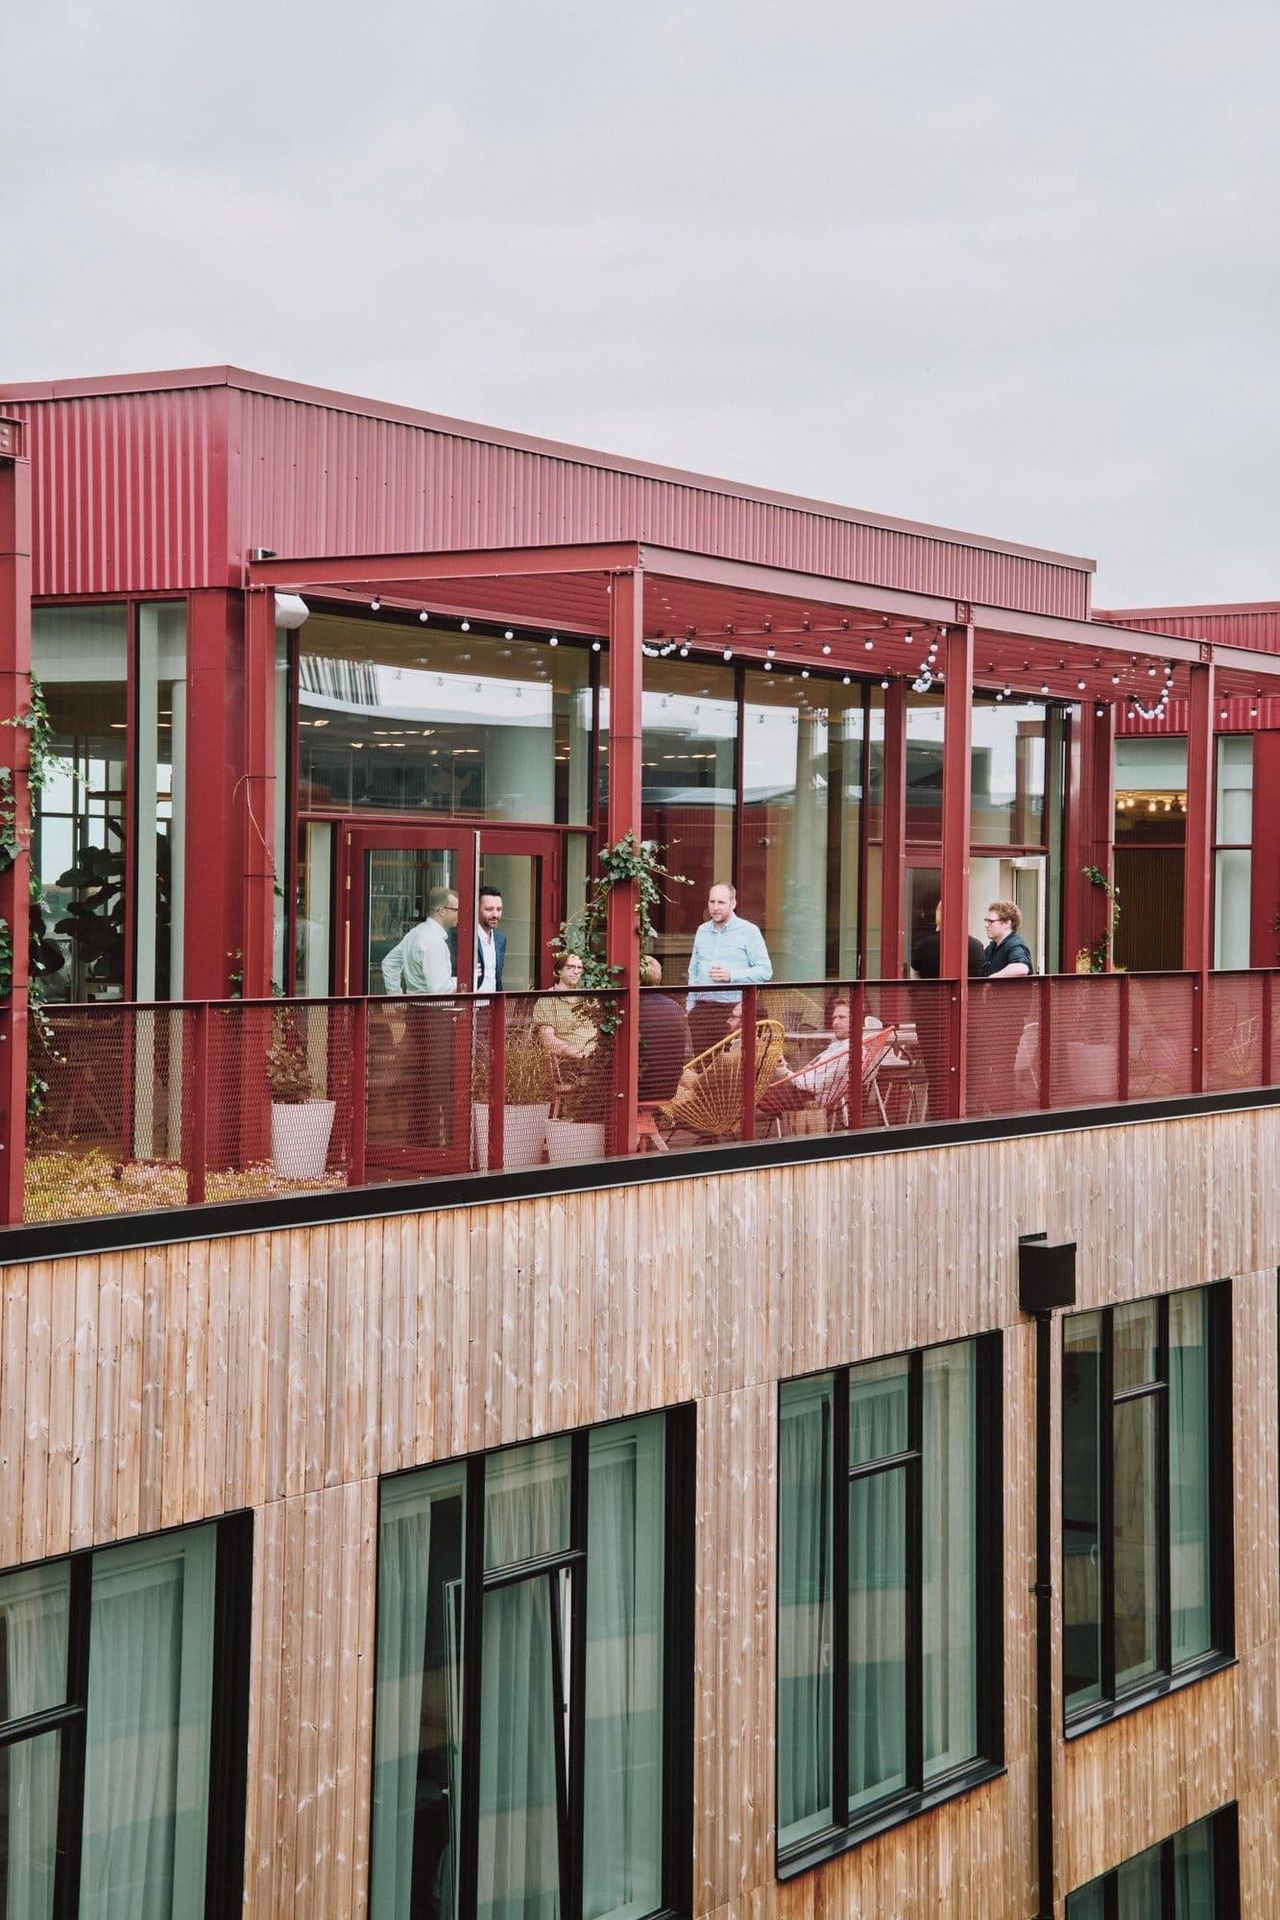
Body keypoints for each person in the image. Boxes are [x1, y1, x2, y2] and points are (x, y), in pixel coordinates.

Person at [686, 882, 773, 1055]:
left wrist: (731, 975)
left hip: (735, 1010)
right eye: (712, 902)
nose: (715, 908)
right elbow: (693, 971)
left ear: (733, 904)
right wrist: (690, 1007)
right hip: (702, 1011)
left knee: (733, 1071)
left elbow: (765, 971)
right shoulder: (702, 931)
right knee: (704, 1069)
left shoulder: (749, 931)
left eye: (721, 902)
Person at [381, 885, 459, 996]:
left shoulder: (414, 933)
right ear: (442, 911)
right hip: (435, 1010)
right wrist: (461, 981)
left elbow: (389, 963)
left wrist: (395, 998)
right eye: (456, 910)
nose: (459, 913)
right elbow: (439, 990)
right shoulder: (435, 942)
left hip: (414, 1008)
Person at [637, 956, 693, 1103]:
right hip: (668, 1088)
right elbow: (688, 1054)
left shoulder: (633, 1006)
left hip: (638, 1088)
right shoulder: (675, 1007)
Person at [531, 952, 598, 1065]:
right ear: (558, 972)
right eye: (570, 967)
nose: (576, 971)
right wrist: (580, 1054)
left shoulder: (588, 998)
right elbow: (548, 1041)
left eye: (579, 968)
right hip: (567, 1063)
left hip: (598, 1061)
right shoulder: (547, 999)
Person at [911, 900, 985, 979]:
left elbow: (914, 973)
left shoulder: (925, 945)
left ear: (939, 915)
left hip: (931, 990)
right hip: (968, 991)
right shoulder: (977, 946)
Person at [980, 902, 1033, 977]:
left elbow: (1021, 967)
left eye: (991, 921)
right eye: (986, 921)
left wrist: (993, 978)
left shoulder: (1015, 945)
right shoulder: (991, 948)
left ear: (1007, 923)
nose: (986, 925)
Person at [474, 886, 507, 993]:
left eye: (499, 909)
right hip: (469, 1005)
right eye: (489, 909)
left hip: (491, 1006)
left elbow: (497, 977)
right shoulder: (464, 937)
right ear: (477, 908)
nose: (495, 915)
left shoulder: (500, 939)